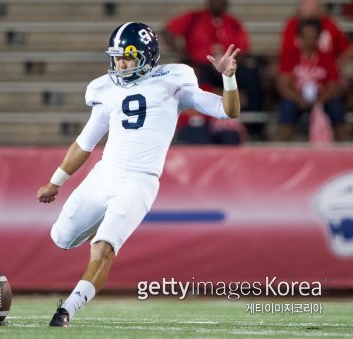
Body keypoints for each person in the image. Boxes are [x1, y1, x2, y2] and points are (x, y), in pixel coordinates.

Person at [37, 22, 241, 327]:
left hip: (140, 181)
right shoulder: (106, 89)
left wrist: (229, 78)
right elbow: (85, 143)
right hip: (105, 173)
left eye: (127, 57)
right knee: (62, 238)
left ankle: (68, 308)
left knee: (103, 248)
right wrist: (55, 182)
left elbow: (228, 111)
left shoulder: (172, 82)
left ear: (146, 56)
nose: (120, 64)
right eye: (117, 57)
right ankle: (99, 226)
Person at [162, 0, 261, 112]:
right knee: (189, 76)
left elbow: (243, 49)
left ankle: (252, 121)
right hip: (200, 65)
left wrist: (230, 63)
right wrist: (183, 54)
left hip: (226, 66)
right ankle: (194, 119)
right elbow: (167, 31)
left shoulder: (233, 23)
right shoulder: (194, 18)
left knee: (251, 76)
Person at [277, 19, 347, 141]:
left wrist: (320, 100)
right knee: (287, 106)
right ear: (299, 37)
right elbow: (283, 84)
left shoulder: (327, 56)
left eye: (313, 36)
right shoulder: (291, 56)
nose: (309, 39)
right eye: (306, 36)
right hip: (297, 97)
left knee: (336, 106)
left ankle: (340, 146)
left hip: (322, 97)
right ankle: (284, 147)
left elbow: (333, 84)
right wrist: (298, 99)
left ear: (318, 37)